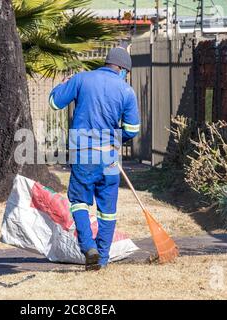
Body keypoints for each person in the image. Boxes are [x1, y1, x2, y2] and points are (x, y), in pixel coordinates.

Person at [48, 47, 140, 270]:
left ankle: (88, 246)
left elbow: (54, 103)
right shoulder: (126, 91)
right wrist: (115, 140)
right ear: (122, 69)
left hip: (83, 153)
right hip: (108, 156)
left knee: (79, 201)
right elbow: (132, 129)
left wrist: (62, 84)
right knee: (107, 209)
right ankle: (103, 258)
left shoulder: (81, 79)